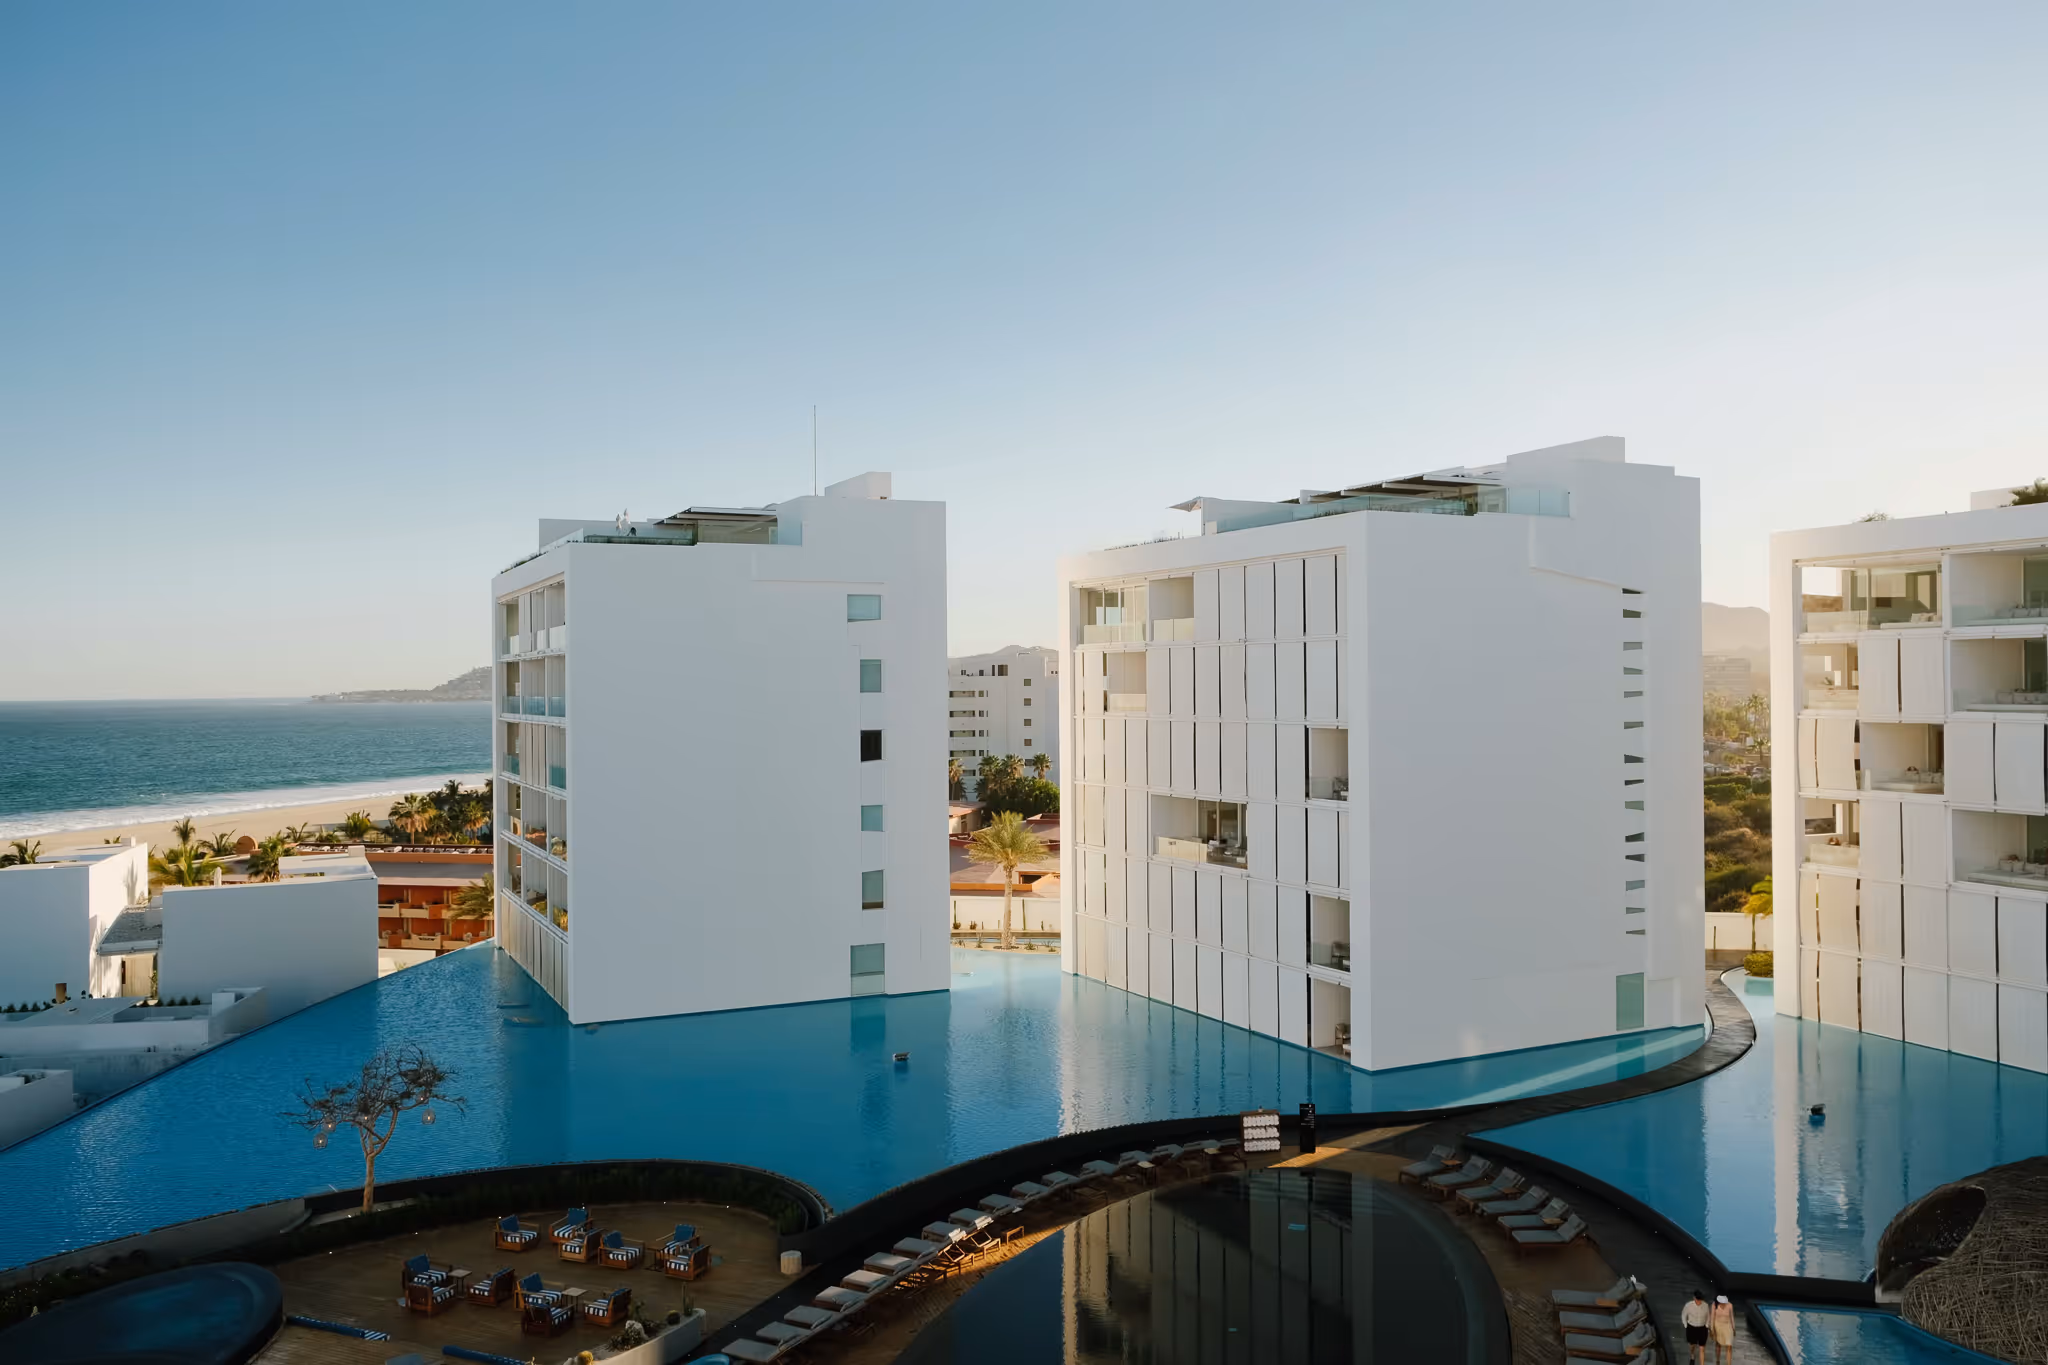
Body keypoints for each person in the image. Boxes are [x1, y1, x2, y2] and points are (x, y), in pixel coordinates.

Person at [1681, 1290, 1712, 1364]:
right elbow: (1683, 1315)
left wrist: (1707, 1325)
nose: (1699, 1301)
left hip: (1702, 1328)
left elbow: (1708, 1316)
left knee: (1702, 1348)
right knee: (1692, 1345)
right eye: (1697, 1299)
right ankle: (1692, 1354)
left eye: (1700, 1299)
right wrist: (1686, 1325)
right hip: (1692, 1328)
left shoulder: (1705, 1305)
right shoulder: (1688, 1305)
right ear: (1694, 1298)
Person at [1711, 1294, 1735, 1364]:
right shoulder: (1714, 1305)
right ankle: (1718, 1360)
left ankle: (1728, 1363)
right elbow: (1712, 1318)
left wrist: (1733, 1328)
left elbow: (1732, 1317)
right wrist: (1712, 1329)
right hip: (1718, 1326)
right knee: (1718, 1345)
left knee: (1729, 1345)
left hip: (1727, 1326)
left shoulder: (1730, 1305)